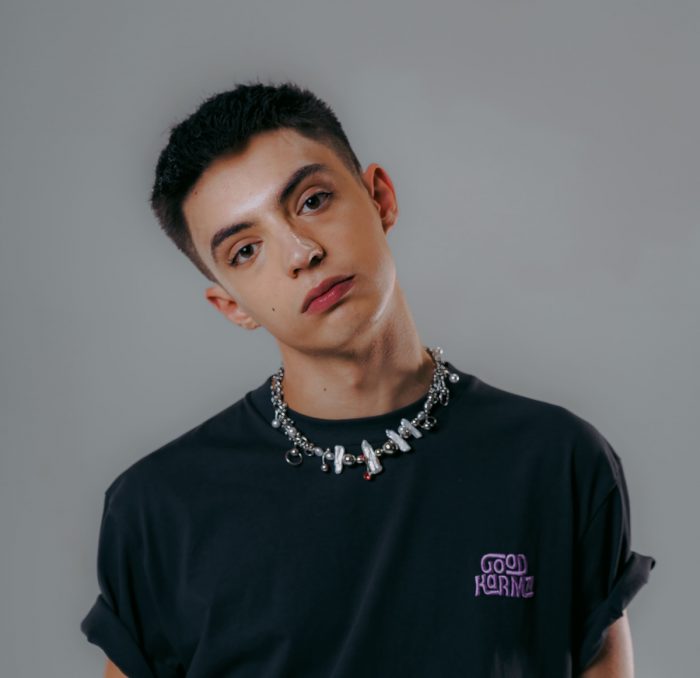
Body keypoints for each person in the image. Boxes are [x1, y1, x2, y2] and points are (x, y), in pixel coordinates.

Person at [80, 81, 655, 677]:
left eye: (312, 201)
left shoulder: (557, 460)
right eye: (246, 250)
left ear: (380, 198)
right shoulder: (158, 509)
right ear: (232, 306)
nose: (300, 252)